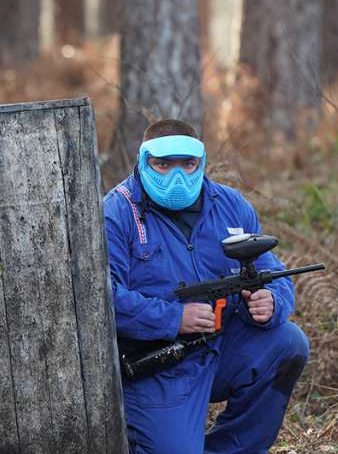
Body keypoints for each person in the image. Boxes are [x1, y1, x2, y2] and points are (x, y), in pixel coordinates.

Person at [103, 119, 310, 454]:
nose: (177, 177)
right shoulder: (117, 212)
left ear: (201, 162)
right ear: (143, 161)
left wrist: (272, 301)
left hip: (222, 346)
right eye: (163, 165)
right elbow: (103, 298)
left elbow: (271, 269)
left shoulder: (230, 205)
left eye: (187, 165)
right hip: (160, 365)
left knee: (287, 342)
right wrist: (174, 318)